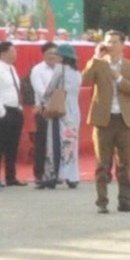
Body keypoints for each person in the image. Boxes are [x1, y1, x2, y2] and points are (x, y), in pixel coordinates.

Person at [86, 32, 130, 212]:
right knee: (102, 163)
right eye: (108, 42)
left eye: (115, 42)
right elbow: (85, 79)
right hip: (103, 120)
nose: (111, 45)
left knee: (124, 164)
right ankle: (102, 202)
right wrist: (96, 57)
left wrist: (119, 79)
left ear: (123, 45)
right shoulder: (98, 64)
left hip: (124, 120)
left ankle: (125, 201)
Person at [0, 42, 24, 187]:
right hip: (5, 110)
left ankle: (11, 176)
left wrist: (19, 107)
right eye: (12, 51)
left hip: (16, 109)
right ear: (2, 53)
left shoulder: (11, 68)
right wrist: (1, 113)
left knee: (13, 145)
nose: (15, 54)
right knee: (0, 145)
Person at [30, 47, 64, 188]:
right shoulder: (37, 70)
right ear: (43, 55)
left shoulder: (61, 69)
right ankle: (40, 174)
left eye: (55, 54)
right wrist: (53, 100)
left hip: (59, 110)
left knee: (57, 142)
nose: (52, 56)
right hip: (44, 109)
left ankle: (56, 173)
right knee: (42, 143)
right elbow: (40, 90)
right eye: (49, 53)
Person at [56, 45, 84, 187]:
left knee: (61, 141)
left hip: (61, 108)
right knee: (72, 141)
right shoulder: (77, 73)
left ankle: (62, 173)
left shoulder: (59, 71)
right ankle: (73, 175)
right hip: (74, 109)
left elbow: (50, 90)